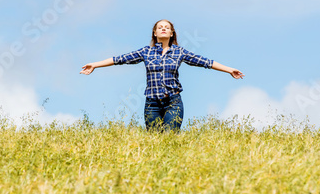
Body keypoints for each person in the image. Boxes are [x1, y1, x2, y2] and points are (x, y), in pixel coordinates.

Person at [80, 19, 244, 132]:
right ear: (155, 33)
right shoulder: (146, 51)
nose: (163, 28)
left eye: (167, 27)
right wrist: (94, 64)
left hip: (173, 102)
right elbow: (120, 59)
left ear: (172, 33)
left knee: (170, 138)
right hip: (152, 104)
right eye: (160, 27)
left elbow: (205, 62)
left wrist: (229, 69)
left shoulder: (179, 52)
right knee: (154, 141)